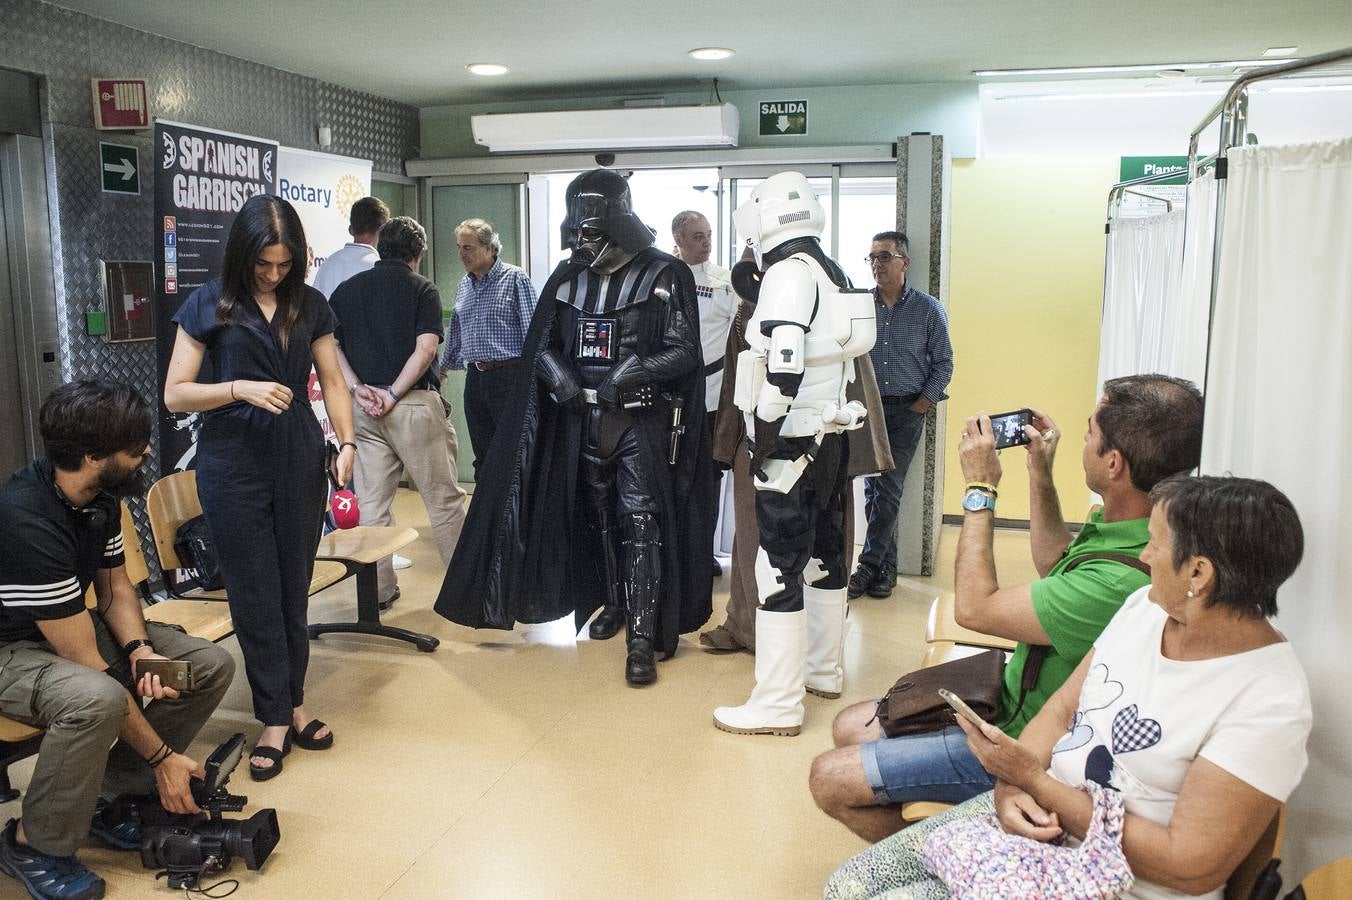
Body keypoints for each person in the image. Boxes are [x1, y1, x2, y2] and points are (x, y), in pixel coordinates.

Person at [825, 475, 1312, 900]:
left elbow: (1186, 867)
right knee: (848, 886)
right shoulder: (1147, 608)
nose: (1143, 556)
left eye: (1156, 545)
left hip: (1119, 882)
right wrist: (1010, 785)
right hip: (1042, 827)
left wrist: (1035, 784)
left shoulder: (1267, 701)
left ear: (1199, 574)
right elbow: (1062, 711)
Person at [810, 374, 1205, 841]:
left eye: (1089, 434)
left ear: (1114, 464)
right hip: (1013, 694)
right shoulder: (1139, 523)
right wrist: (1040, 473)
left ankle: (962, 850)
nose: (1082, 441)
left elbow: (975, 610)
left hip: (1026, 742)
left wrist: (980, 489)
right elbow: (1054, 562)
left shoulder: (1123, 578)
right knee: (848, 726)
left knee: (829, 777)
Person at [435, 168, 714, 686]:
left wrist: (633, 371)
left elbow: (685, 352)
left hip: (638, 420)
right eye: (582, 230)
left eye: (598, 229)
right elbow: (539, 345)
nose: (588, 240)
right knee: (598, 517)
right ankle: (612, 601)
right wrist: (558, 375)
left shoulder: (663, 274)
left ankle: (643, 635)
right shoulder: (566, 278)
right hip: (581, 419)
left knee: (640, 523)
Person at [0, 381, 235, 900]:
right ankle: (31, 842)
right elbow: (83, 661)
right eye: (136, 445)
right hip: (10, 650)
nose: (148, 450)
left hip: (64, 628)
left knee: (205, 665)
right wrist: (163, 758)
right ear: (92, 456)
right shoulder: (26, 519)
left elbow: (114, 588)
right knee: (97, 698)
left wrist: (139, 651)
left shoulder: (98, 497)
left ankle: (111, 799)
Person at [164, 194, 355, 781]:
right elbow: (175, 393)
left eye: (284, 264)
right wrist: (237, 388)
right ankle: (273, 718)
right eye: (263, 264)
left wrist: (346, 444)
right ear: (241, 255)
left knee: (293, 588)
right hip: (232, 463)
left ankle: (293, 705)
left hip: (298, 456)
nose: (273, 274)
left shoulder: (310, 304)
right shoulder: (208, 305)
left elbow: (332, 380)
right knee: (253, 594)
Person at [712, 172, 876, 736]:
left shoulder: (786, 272)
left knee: (776, 564)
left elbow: (782, 361)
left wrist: (765, 432)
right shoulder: (830, 269)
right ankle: (822, 671)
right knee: (825, 554)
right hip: (830, 435)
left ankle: (777, 704)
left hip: (791, 437)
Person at [702, 261, 894, 655]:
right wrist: (729, 443)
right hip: (760, 434)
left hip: (823, 430)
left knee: (825, 536)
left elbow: (855, 373)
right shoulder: (750, 306)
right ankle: (749, 626)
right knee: (755, 533)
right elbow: (739, 373)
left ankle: (817, 642)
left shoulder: (834, 296)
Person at [329, 216, 467, 607]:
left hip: (364, 412)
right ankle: (463, 592)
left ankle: (377, 592)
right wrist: (393, 392)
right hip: (412, 407)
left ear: (380, 248)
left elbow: (332, 346)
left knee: (372, 506)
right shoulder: (421, 288)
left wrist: (358, 389)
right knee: (443, 500)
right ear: (417, 253)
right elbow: (425, 350)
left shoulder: (346, 290)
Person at [847, 231, 953, 600]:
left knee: (888, 488)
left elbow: (944, 363)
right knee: (872, 488)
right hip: (867, 410)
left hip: (908, 410)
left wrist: (922, 403)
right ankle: (885, 569)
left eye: (885, 257)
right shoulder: (860, 306)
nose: (878, 265)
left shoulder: (927, 309)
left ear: (904, 263)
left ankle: (866, 566)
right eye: (872, 258)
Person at [438, 218, 539, 479]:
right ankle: (486, 516)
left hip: (509, 376)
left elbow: (534, 334)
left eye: (468, 248)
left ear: (489, 248)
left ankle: (515, 516)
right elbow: (457, 332)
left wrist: (533, 379)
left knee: (512, 451)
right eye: (459, 247)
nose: (461, 254)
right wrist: (443, 370)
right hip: (476, 377)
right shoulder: (464, 285)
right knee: (482, 453)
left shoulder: (515, 278)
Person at [672, 210, 736, 580]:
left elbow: (738, 335)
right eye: (697, 236)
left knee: (709, 480)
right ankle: (673, 549)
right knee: (673, 475)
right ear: (678, 239)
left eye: (709, 235)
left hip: (711, 397)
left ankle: (705, 551)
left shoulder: (724, 282)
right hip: (671, 396)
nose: (706, 242)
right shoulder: (662, 277)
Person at [311, 196, 389, 300]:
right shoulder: (380, 269)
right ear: (383, 230)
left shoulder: (328, 264)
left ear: (350, 229)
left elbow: (315, 310)